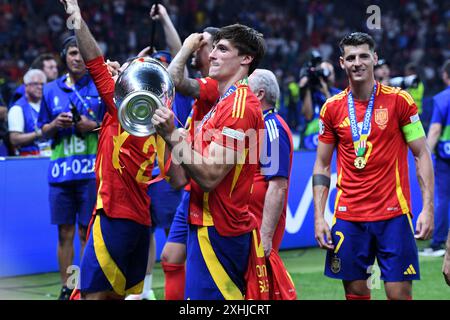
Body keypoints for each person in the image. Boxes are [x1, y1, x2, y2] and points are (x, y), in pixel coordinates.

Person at [59, 0, 184, 300]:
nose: (114, 71)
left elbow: (93, 59)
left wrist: (75, 15)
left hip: (113, 215)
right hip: (140, 222)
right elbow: (178, 180)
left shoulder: (118, 108)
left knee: (92, 296)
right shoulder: (165, 123)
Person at [313, 32, 434, 300]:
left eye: (364, 56)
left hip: (393, 215)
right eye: (351, 57)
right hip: (348, 217)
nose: (358, 62)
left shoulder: (400, 100)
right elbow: (321, 165)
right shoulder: (331, 108)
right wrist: (320, 216)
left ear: (374, 58)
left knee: (398, 295)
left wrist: (427, 208)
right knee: (356, 296)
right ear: (342, 62)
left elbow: (422, 154)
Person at [153, 23, 267, 300]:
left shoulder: (240, 107)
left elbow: (210, 175)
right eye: (213, 48)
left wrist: (173, 135)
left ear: (246, 59)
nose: (212, 55)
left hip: (221, 229)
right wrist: (168, 138)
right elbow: (181, 179)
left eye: (222, 49)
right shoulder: (221, 103)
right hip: (203, 222)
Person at [37, 33, 106, 299]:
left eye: (81, 53)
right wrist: (54, 125)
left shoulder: (98, 87)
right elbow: (42, 130)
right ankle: (68, 287)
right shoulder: (50, 89)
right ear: (65, 56)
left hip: (90, 172)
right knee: (65, 233)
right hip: (60, 173)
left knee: (85, 232)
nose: (78, 58)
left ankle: (84, 285)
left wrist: (93, 126)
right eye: (73, 53)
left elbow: (112, 126)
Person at [159, 27, 220, 300]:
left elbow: (173, 77)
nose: (196, 48)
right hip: (192, 188)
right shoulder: (200, 93)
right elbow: (178, 65)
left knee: (204, 269)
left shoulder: (215, 86)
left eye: (202, 45)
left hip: (211, 189)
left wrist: (186, 47)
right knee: (170, 257)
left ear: (217, 52)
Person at [248, 68, 296, 299]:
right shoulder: (261, 125)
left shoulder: (272, 127)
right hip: (252, 221)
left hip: (260, 224)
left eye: (246, 87)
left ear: (258, 94)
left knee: (262, 288)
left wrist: (266, 236)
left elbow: (278, 185)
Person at [420, 59, 450, 257]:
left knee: (442, 198)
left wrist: (426, 155)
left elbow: (435, 129)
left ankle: (438, 243)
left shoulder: (442, 98)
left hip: (445, 157)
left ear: (445, 76)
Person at [299, 56, 340, 150]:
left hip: (332, 147)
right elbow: (308, 116)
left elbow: (338, 116)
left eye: (329, 72)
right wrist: (307, 87)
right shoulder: (310, 93)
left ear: (334, 75)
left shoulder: (340, 94)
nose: (326, 75)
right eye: (323, 70)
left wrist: (326, 93)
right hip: (309, 146)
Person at [8, 69, 50, 156]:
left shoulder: (48, 104)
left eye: (43, 84)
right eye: (35, 84)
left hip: (50, 155)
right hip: (29, 159)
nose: (40, 87)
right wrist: (39, 133)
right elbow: (14, 139)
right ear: (26, 86)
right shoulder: (17, 108)